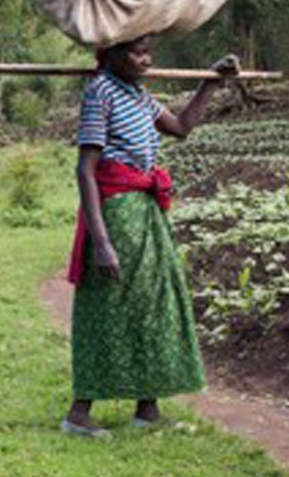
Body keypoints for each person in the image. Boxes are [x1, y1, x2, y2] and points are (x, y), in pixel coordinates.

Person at [61, 36, 239, 436]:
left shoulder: (137, 95)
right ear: (112, 56)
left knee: (153, 298)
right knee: (110, 301)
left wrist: (211, 83)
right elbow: (85, 169)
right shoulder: (100, 93)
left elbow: (181, 127)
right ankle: (79, 412)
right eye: (138, 52)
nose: (147, 59)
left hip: (145, 208)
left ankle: (148, 406)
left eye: (148, 51)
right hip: (117, 210)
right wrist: (102, 241)